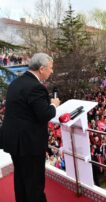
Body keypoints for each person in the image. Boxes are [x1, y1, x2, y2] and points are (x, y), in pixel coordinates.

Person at [0, 53, 60, 202]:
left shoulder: (16, 82)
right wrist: (54, 104)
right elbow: (44, 114)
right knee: (34, 183)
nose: (51, 71)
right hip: (29, 144)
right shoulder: (36, 87)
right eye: (50, 68)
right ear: (42, 69)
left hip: (15, 142)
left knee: (20, 179)